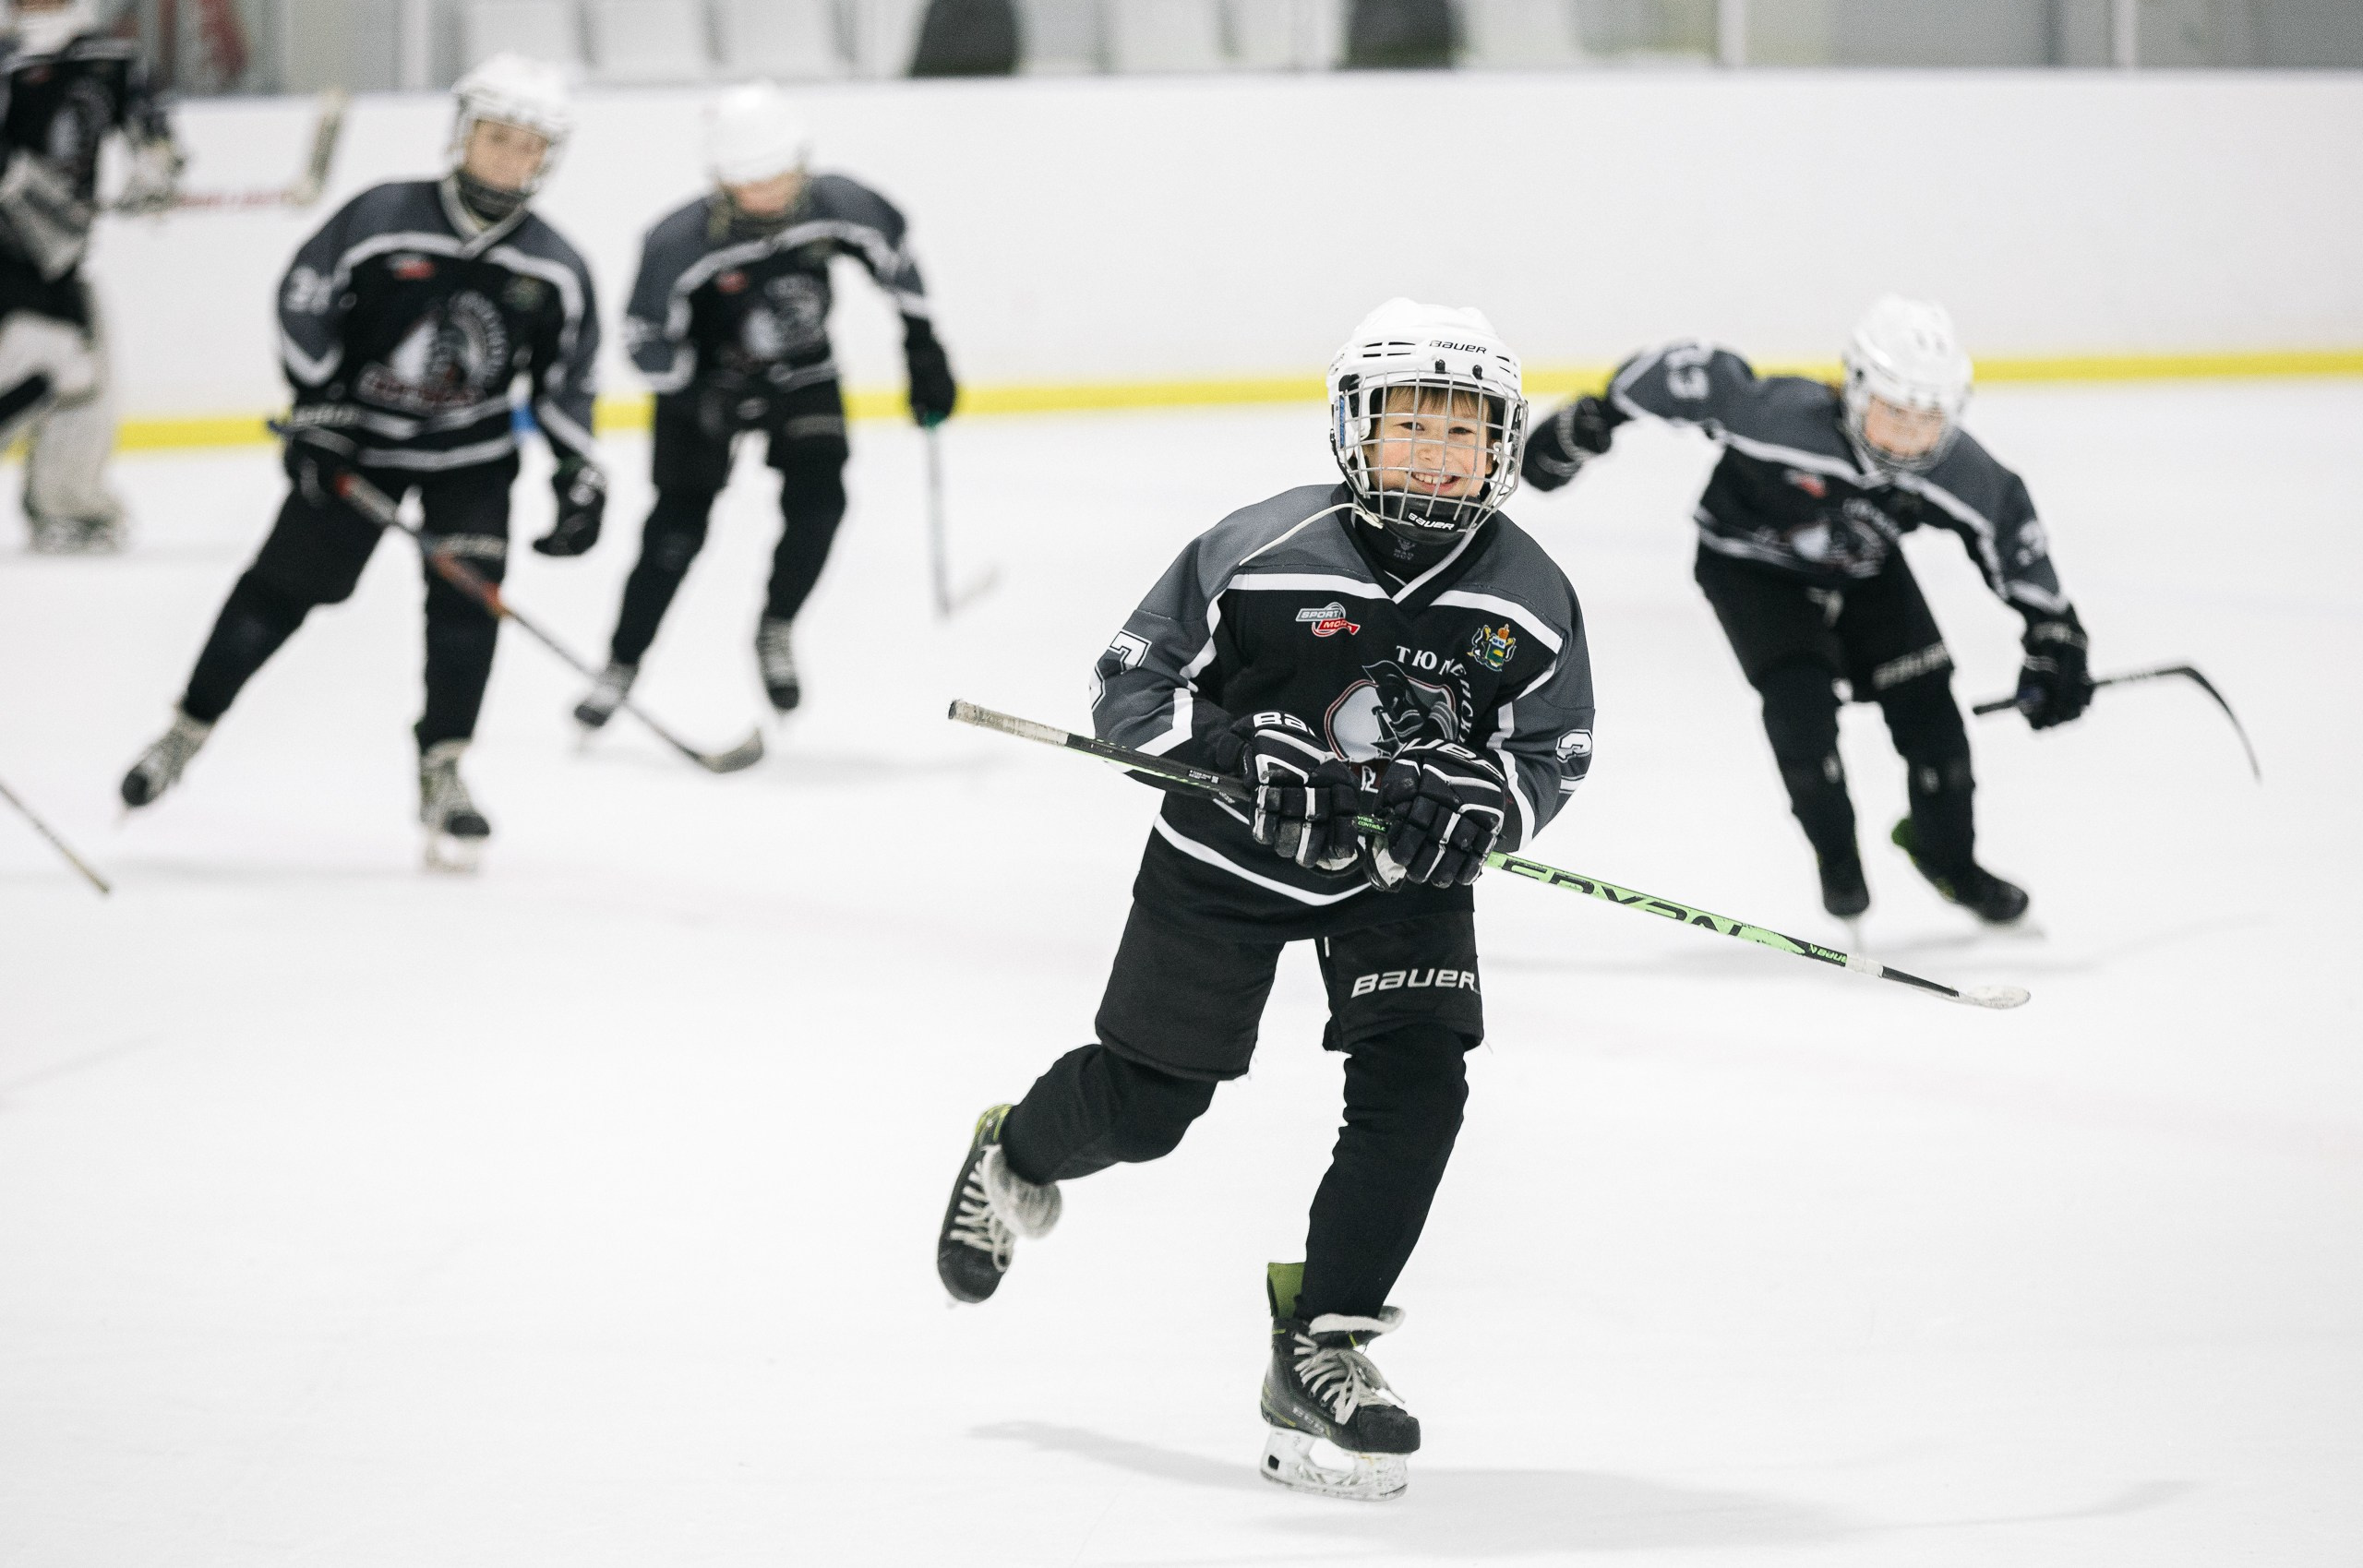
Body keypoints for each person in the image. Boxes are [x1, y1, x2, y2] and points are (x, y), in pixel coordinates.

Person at [932, 300, 1593, 1501]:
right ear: (1356, 429)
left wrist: (1486, 801)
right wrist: (1229, 749)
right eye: (1410, 426)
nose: (1435, 453)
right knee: (1149, 1103)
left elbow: (1553, 750)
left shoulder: (1529, 593)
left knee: (1420, 1076)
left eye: (1463, 430)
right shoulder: (1259, 545)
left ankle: (1322, 1343)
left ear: (1501, 444)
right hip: (1222, 867)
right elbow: (1132, 686)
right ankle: (1015, 1145)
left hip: (1399, 881)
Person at [116, 54, 606, 872]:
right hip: (360, 443)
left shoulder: (553, 264)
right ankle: (185, 731)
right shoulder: (382, 215)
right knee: (278, 591)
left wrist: (577, 469)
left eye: (529, 145)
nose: (509, 158)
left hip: (471, 459)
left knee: (466, 608)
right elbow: (303, 299)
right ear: (462, 134)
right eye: (495, 136)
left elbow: (569, 377)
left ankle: (443, 768)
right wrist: (320, 408)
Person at [1520, 295, 2091, 925]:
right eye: (1892, 414)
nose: (1906, 440)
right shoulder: (1777, 416)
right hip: (1750, 569)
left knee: (1936, 725)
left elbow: (2008, 524)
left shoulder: (1953, 465)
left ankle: (1947, 857)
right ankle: (1837, 856)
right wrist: (1599, 415)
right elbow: (1693, 374)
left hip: (1866, 571)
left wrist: (2055, 631)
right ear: (1855, 390)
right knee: (1801, 714)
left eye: (1926, 422)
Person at [570, 83, 956, 729]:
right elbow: (642, 338)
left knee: (821, 504)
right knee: (675, 531)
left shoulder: (840, 204)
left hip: (803, 375)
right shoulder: (678, 241)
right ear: (721, 180)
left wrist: (923, 347)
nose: (772, 197)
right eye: (753, 184)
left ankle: (776, 625)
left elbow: (898, 259)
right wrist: (695, 392)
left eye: (782, 178)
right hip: (704, 387)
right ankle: (621, 661)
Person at [0, 0, 181, 554]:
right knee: (54, 360)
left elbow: (151, 128)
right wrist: (28, 191)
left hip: (57, 261)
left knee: (88, 379)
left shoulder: (110, 58)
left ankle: (66, 504)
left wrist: (156, 170)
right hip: (6, 259)